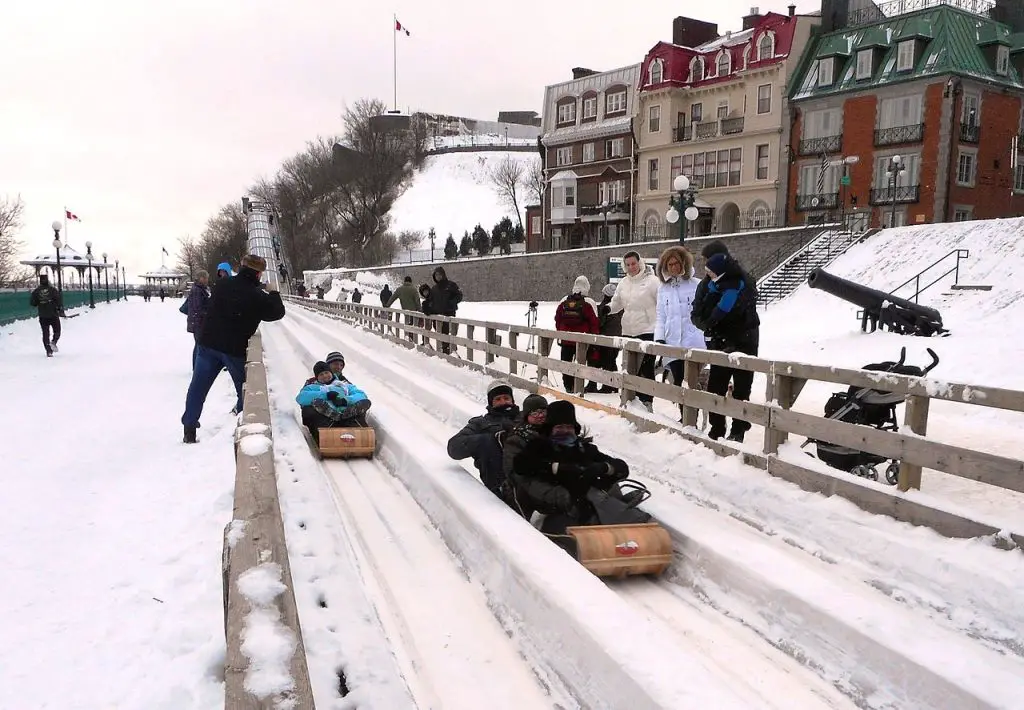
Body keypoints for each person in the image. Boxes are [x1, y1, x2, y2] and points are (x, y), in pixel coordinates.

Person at [181, 254, 286, 443]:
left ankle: (189, 427)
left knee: (198, 387)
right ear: (259, 274)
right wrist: (274, 293)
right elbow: (277, 313)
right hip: (234, 349)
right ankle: (243, 425)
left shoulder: (222, 285)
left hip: (208, 344)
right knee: (245, 391)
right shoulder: (256, 295)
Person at [509, 400, 630, 538]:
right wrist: (555, 468)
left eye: (569, 427)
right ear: (550, 429)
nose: (565, 431)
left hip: (589, 506)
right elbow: (520, 465)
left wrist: (604, 468)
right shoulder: (539, 447)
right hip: (553, 508)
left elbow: (622, 468)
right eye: (559, 427)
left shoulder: (584, 449)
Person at [690, 244, 760, 442]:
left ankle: (737, 429)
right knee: (717, 384)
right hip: (720, 339)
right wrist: (707, 325)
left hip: (743, 339)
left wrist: (715, 322)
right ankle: (717, 427)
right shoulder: (707, 284)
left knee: (742, 386)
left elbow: (742, 309)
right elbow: (696, 311)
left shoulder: (742, 280)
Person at [654, 246, 704, 421]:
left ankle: (691, 417)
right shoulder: (663, 288)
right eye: (669, 264)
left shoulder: (696, 284)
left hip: (693, 340)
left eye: (676, 263)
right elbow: (661, 315)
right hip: (672, 341)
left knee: (690, 381)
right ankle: (685, 415)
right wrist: (659, 338)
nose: (673, 267)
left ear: (683, 263)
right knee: (678, 380)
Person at [447, 379, 520, 498]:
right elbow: (454, 447)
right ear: (491, 402)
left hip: (526, 474)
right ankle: (503, 491)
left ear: (512, 400)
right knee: (487, 441)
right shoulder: (480, 423)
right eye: (498, 399)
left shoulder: (524, 418)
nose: (503, 402)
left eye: (506, 398)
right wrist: (490, 439)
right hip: (499, 476)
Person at [607, 250, 660, 410]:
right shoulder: (624, 283)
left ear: (640, 263)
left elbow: (662, 304)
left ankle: (647, 401)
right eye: (628, 264)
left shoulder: (652, 281)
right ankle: (631, 398)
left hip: (648, 329)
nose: (631, 267)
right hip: (629, 330)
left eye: (634, 263)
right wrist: (607, 308)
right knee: (629, 367)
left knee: (646, 367)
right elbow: (617, 303)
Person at [296, 361, 372, 443]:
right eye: (321, 374)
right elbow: (301, 397)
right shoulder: (313, 387)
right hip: (327, 417)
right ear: (317, 377)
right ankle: (334, 416)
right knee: (316, 404)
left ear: (331, 373)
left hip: (346, 412)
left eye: (326, 372)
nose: (324, 376)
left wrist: (346, 400)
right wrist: (326, 395)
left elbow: (361, 394)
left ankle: (346, 416)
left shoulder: (344, 385)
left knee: (364, 402)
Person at [500, 394, 548, 518]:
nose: (541, 415)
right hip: (524, 489)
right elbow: (513, 472)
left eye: (543, 411)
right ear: (527, 416)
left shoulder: (554, 432)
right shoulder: (517, 438)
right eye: (535, 413)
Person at [553, 275, 600, 393]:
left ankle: (568, 385)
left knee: (566, 363)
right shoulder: (589, 302)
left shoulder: (564, 300)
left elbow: (557, 318)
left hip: (566, 339)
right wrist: (594, 339)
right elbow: (594, 322)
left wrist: (561, 332)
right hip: (583, 340)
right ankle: (583, 386)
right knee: (584, 363)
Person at [594, 282, 622, 392]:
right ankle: (614, 385)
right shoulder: (620, 307)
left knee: (606, 362)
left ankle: (607, 386)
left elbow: (600, 322)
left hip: (606, 338)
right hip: (618, 339)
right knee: (612, 361)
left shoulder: (605, 307)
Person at [428, 266, 463, 354]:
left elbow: (459, 295)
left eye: (439, 275)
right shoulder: (434, 289)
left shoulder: (451, 285)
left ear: (443, 275)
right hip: (437, 317)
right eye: (436, 275)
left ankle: (451, 351)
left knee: (449, 334)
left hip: (449, 314)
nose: (438, 277)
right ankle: (444, 352)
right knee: (441, 335)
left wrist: (452, 302)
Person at [30, 274, 63, 358]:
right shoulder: (52, 290)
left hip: (43, 315)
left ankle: (48, 351)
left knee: (45, 333)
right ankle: (54, 342)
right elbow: (58, 300)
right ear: (47, 280)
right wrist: (59, 308)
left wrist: (40, 302)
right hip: (53, 314)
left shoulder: (36, 291)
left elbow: (33, 303)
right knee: (57, 330)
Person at [185, 270, 211, 369]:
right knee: (199, 345)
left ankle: (197, 366)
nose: (207, 280)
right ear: (201, 278)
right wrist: (207, 313)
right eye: (205, 278)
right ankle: (196, 366)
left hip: (197, 321)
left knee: (199, 344)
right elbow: (197, 307)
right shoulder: (197, 290)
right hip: (198, 322)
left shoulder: (200, 289)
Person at [387, 276, 422, 341]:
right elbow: (417, 301)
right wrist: (420, 311)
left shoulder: (399, 289)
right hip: (413, 311)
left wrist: (387, 305)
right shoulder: (414, 289)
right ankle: (411, 339)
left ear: (404, 281)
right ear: (411, 281)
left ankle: (407, 337)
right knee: (412, 326)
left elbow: (392, 298)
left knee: (407, 324)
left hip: (405, 310)